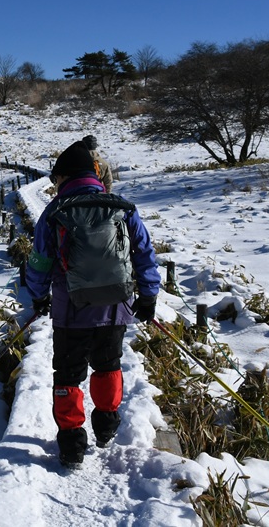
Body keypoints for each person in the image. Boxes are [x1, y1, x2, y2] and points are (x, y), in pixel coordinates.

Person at [26, 139, 160, 468]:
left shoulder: (54, 212)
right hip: (115, 307)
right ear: (94, 174)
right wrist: (149, 296)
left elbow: (39, 263)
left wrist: (39, 296)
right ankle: (106, 425)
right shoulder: (122, 208)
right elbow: (144, 254)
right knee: (108, 366)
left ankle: (72, 443)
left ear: (64, 178)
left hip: (70, 312)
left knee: (68, 376)